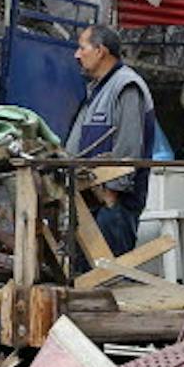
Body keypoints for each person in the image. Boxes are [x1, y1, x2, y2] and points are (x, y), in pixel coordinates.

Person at [66, 24, 157, 257]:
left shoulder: (126, 87)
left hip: (113, 208)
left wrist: (111, 196)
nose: (77, 55)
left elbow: (128, 147)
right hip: (90, 205)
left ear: (101, 51)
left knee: (110, 283)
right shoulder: (97, 90)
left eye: (82, 47)